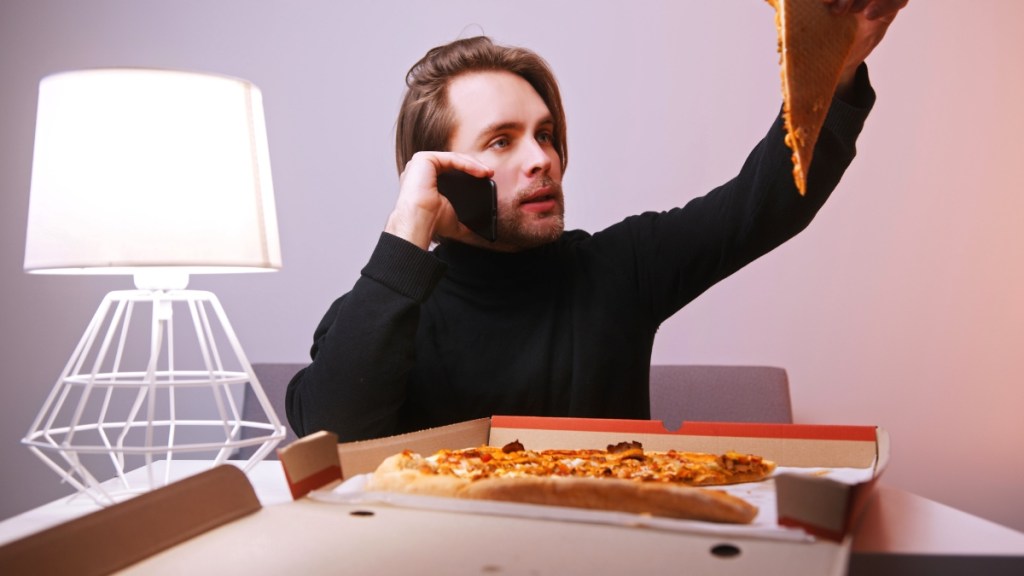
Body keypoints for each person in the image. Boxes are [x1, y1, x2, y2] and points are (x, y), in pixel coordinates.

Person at [287, 0, 909, 442]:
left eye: (547, 134)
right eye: (501, 141)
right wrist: (408, 226)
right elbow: (334, 441)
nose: (543, 159)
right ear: (438, 171)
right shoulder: (377, 308)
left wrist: (833, 66)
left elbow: (766, 203)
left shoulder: (620, 267)